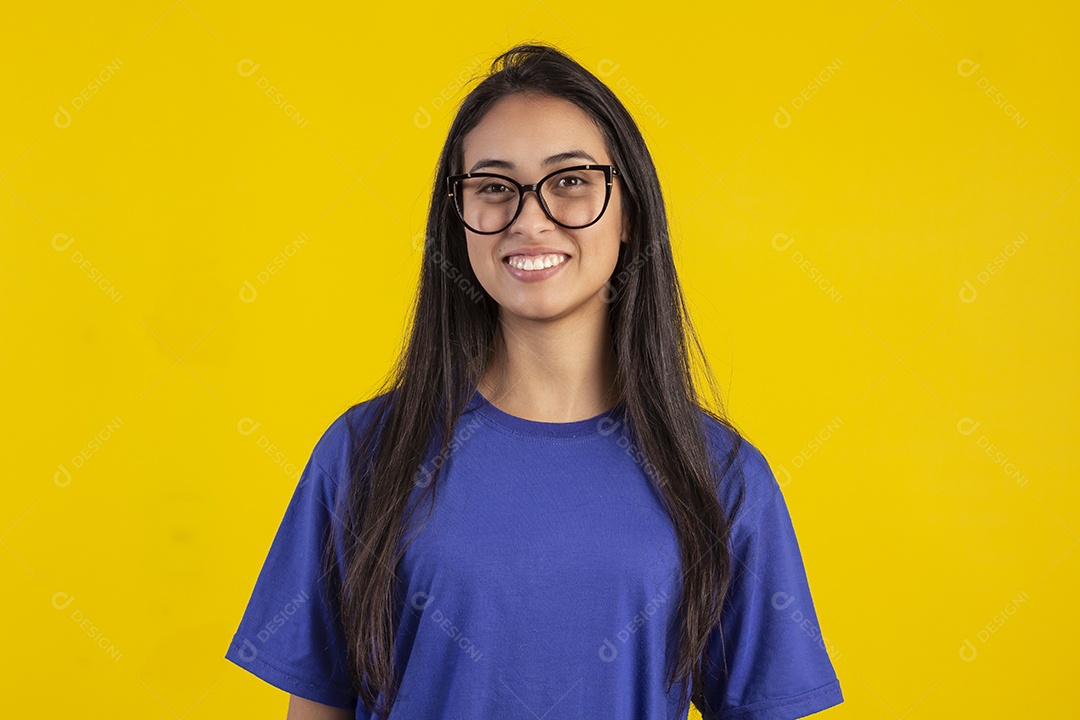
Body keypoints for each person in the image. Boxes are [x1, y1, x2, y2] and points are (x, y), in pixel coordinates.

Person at [224, 42, 844, 720]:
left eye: (571, 180)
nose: (530, 217)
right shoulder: (363, 453)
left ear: (629, 210)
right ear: (457, 219)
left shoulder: (718, 475)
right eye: (494, 187)